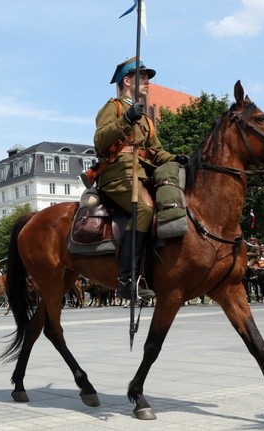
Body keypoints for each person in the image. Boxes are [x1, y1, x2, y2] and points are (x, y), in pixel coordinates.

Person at [93, 57, 184, 301]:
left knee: (169, 206)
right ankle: (126, 280)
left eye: (147, 78)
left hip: (142, 174)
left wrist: (178, 157)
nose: (147, 82)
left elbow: (156, 151)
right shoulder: (114, 108)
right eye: (142, 77)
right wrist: (126, 119)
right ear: (127, 80)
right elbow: (100, 140)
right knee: (142, 209)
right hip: (118, 174)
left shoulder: (146, 119)